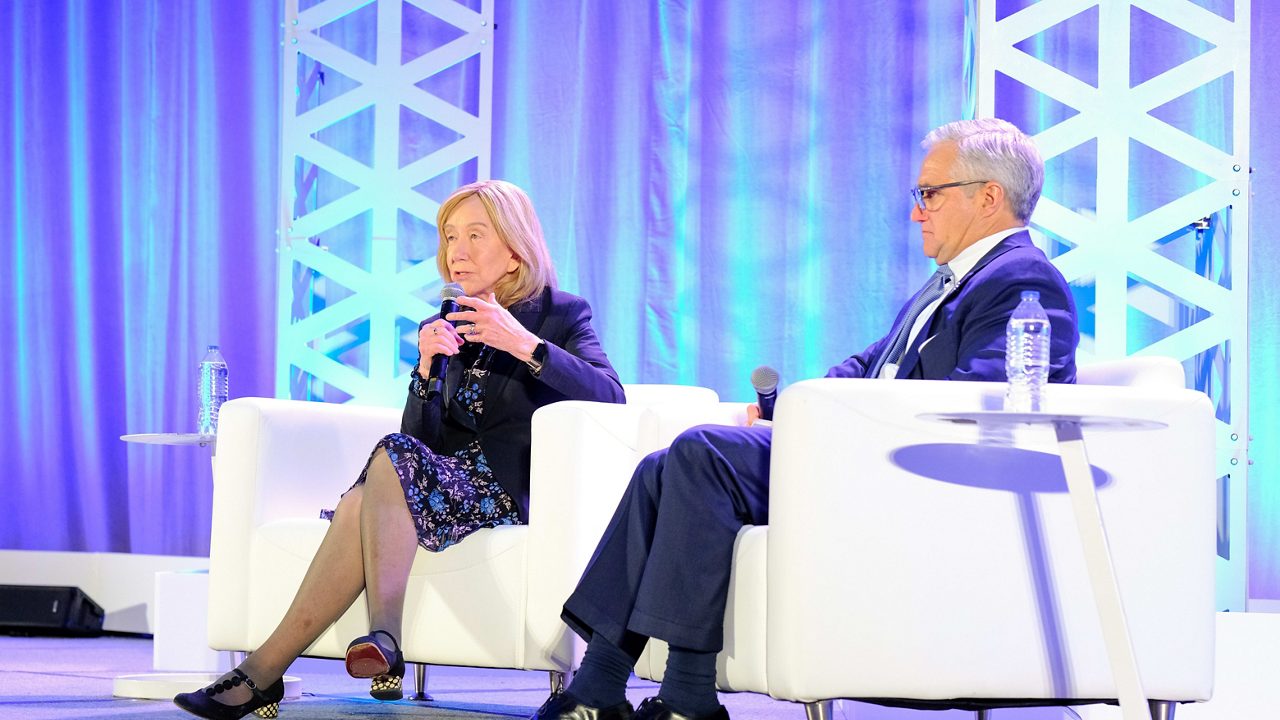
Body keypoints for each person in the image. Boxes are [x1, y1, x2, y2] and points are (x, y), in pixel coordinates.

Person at [534, 118, 1079, 720]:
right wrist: (793, 410)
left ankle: (687, 695)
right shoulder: (954, 280)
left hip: (910, 473)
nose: (917, 211)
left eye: (929, 194)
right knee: (664, 468)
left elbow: (981, 402)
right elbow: (871, 366)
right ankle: (601, 685)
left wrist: (833, 428)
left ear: (989, 197)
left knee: (702, 452)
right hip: (865, 451)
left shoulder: (1023, 280)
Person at [175, 180, 626, 720]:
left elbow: (611, 394)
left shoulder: (559, 314)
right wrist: (426, 373)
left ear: (513, 250)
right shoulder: (443, 322)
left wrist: (526, 346)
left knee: (365, 494)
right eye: (449, 237)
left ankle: (303, 660)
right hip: (442, 482)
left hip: (503, 488)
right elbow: (420, 443)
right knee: (374, 482)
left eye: (474, 236)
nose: (455, 252)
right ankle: (330, 655)